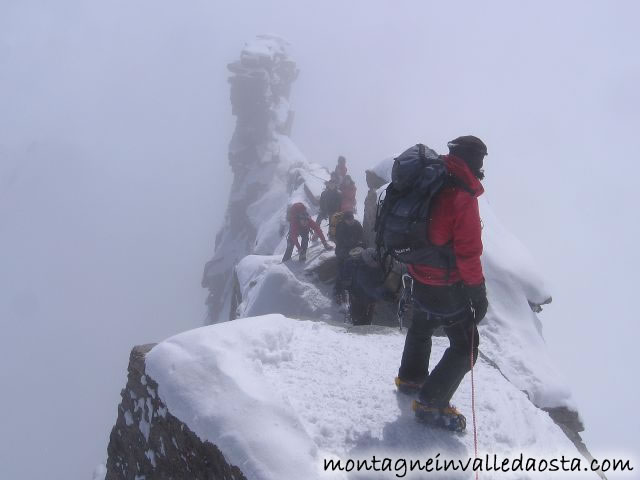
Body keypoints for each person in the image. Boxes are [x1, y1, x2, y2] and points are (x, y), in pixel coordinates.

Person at [394, 136, 489, 429]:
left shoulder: (430, 179)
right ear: (475, 160)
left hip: (419, 273)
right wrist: (478, 293)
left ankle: (410, 379)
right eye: (481, 159)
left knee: (422, 325)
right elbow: (469, 253)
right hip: (446, 284)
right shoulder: (462, 195)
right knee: (467, 345)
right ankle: (431, 403)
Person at [333, 211, 364, 300]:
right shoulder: (341, 226)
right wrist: (354, 243)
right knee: (341, 268)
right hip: (342, 250)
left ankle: (352, 286)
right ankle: (337, 289)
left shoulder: (357, 224)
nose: (351, 221)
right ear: (345, 220)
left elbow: (361, 234)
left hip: (354, 249)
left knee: (355, 267)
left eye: (352, 219)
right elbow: (341, 240)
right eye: (349, 220)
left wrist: (360, 243)